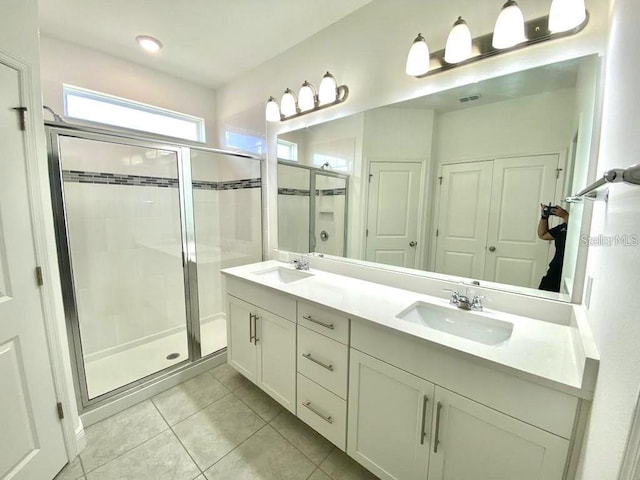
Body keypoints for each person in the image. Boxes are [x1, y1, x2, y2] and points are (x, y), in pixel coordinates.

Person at [537, 204, 569, 293]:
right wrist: (544, 217)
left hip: (569, 272)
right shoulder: (563, 227)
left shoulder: (576, 227)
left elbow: (580, 231)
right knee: (542, 296)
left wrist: (566, 216)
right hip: (555, 270)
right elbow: (543, 235)